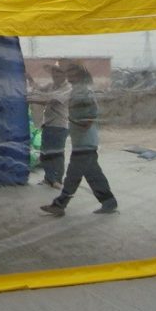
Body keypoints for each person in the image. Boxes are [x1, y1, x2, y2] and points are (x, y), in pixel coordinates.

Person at [40, 62, 117, 216]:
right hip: (82, 143)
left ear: (80, 76)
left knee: (72, 176)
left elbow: (88, 120)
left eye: (72, 73)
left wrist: (72, 121)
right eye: (69, 72)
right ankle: (109, 202)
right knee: (94, 175)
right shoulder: (77, 91)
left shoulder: (84, 93)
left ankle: (59, 204)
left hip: (85, 144)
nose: (69, 75)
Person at [27, 60, 71, 188]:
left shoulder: (68, 88)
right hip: (48, 124)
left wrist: (29, 99)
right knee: (45, 152)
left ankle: (57, 180)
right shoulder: (51, 85)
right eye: (54, 73)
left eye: (58, 73)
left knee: (57, 153)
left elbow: (50, 99)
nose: (55, 75)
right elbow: (38, 89)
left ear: (65, 75)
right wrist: (30, 79)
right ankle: (48, 178)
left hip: (59, 125)